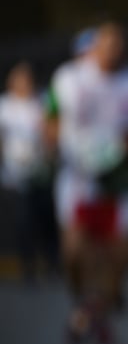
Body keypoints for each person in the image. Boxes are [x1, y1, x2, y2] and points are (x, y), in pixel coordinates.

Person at [46, 20, 128, 344]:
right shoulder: (69, 78)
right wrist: (53, 144)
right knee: (73, 253)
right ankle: (85, 303)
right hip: (78, 178)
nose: (113, 51)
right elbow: (51, 117)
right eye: (106, 44)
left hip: (117, 181)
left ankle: (96, 312)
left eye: (118, 45)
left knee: (118, 253)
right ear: (94, 46)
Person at [0, 60, 59, 283]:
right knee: (24, 221)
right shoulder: (4, 106)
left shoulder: (41, 100)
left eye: (28, 78)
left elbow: (52, 129)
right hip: (16, 173)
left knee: (47, 219)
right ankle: (29, 267)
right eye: (20, 78)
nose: (25, 83)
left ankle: (53, 264)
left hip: (42, 169)